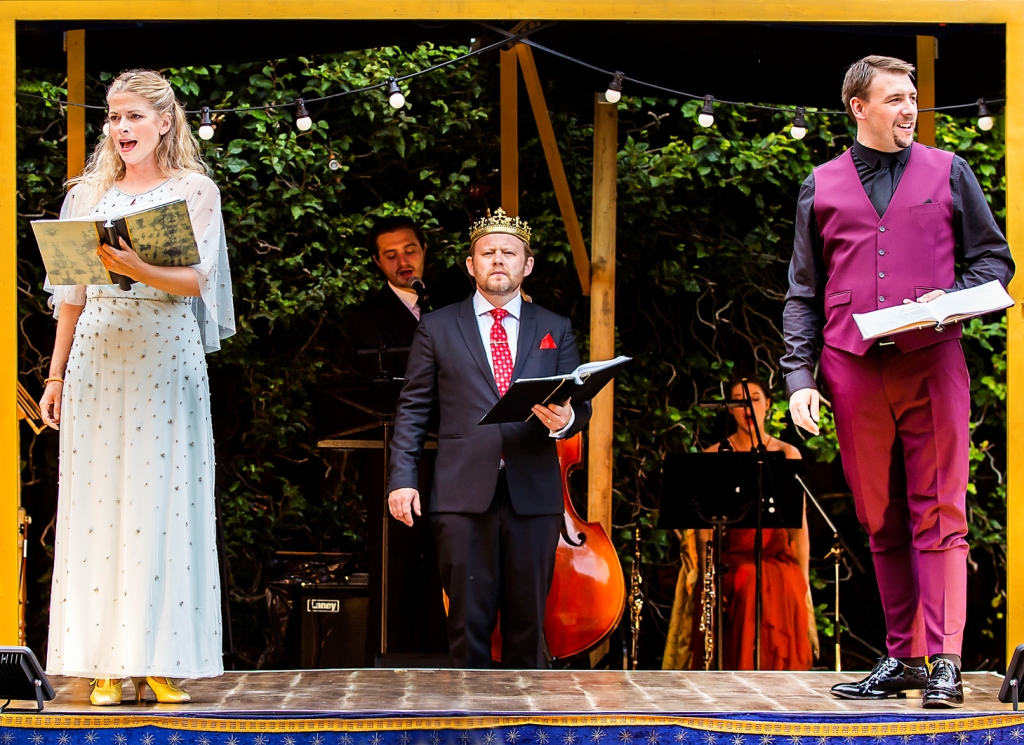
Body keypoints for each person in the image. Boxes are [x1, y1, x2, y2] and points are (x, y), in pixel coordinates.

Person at [781, 56, 1013, 707]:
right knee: (879, 516)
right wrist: (799, 375)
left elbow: (996, 260)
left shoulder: (950, 172)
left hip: (932, 360)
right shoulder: (820, 185)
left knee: (939, 509)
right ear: (859, 106)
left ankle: (945, 659)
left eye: (912, 98)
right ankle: (904, 654)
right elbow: (803, 291)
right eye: (894, 98)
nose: (909, 109)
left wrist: (949, 298)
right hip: (851, 368)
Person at [38, 69, 234, 705]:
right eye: (113, 118)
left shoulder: (193, 189)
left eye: (133, 117)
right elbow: (69, 295)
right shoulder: (87, 195)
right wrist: (55, 374)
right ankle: (102, 662)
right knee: (98, 501)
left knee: (161, 496)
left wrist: (135, 265)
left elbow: (196, 282)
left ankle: (160, 655)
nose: (121, 129)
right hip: (98, 346)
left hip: (164, 348)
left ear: (164, 122)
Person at [386, 208, 591, 668]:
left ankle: (524, 732)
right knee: (466, 627)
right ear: (470, 265)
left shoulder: (555, 327)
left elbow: (581, 405)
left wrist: (566, 418)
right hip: (461, 496)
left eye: (509, 253)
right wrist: (402, 479)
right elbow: (414, 408)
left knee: (527, 628)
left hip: (534, 496)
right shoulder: (436, 327)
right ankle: (469, 732)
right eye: (488, 252)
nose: (498, 260)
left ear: (527, 265)